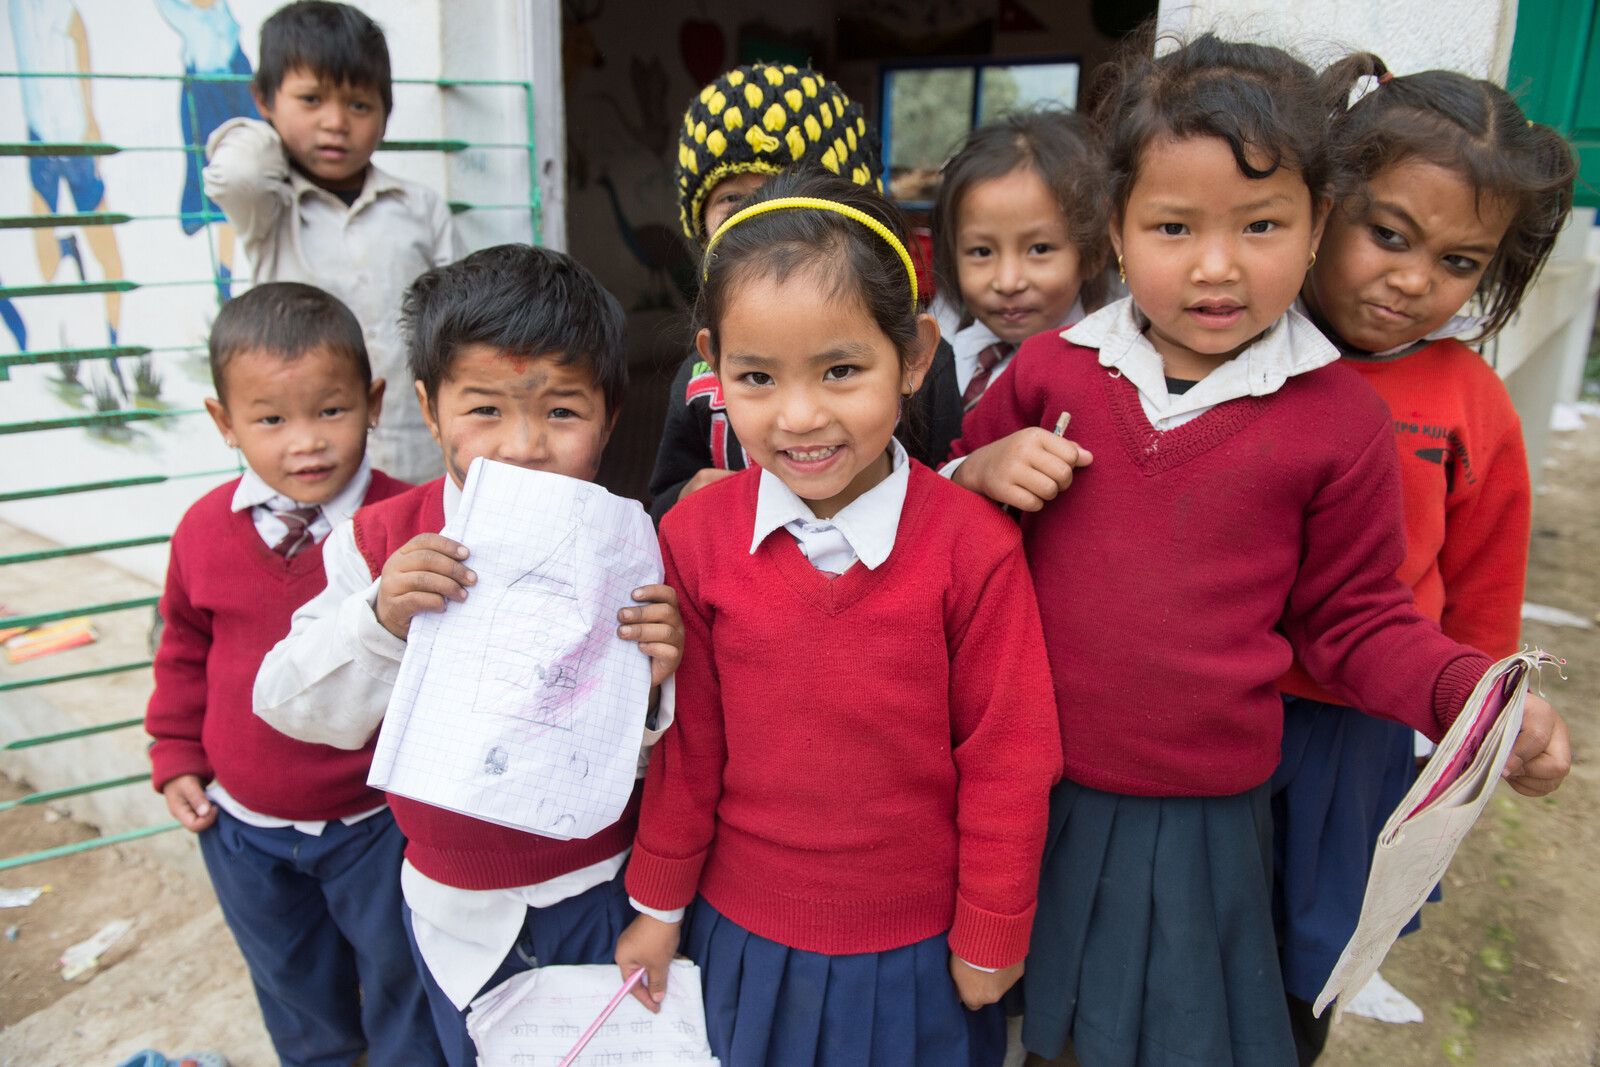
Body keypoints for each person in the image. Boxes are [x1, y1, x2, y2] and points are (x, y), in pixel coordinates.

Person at [948, 34, 1572, 1067]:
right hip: (1028, 782)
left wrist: (1466, 687)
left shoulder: (1335, 422)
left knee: (1169, 1032)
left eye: (1263, 224)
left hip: (1198, 815)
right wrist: (976, 474)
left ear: (1317, 223)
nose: (1216, 264)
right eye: (1172, 225)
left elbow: (1355, 617)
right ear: (1113, 226)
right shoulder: (1050, 371)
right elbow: (944, 543)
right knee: (1028, 1023)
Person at [615, 172, 1063, 1067]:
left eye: (842, 369)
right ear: (713, 367)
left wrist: (991, 926)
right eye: (757, 376)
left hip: (917, 951)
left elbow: (1009, 752)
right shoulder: (696, 536)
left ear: (915, 355)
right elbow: (688, 747)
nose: (801, 415)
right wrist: (658, 907)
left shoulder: (971, 547)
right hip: (745, 932)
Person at [253, 245, 685, 1067]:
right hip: (449, 904)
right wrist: (379, 617)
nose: (523, 444)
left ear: (612, 414)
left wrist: (657, 681)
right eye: (484, 409)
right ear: (428, 406)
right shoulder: (381, 544)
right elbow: (288, 700)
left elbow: (659, 757)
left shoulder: (632, 550)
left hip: (599, 892)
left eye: (562, 411)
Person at [1271, 57, 1578, 1064]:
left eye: (1458, 262)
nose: (1412, 279)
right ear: (1323, 202)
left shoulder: (1468, 402)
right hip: (1208, 717)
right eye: (1388, 234)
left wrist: (1489, 723)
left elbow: (1482, 601)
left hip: (1351, 741)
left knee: (1303, 963)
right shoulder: (1240, 354)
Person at [143, 282, 437, 1067]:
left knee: (403, 974)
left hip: (378, 823)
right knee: (293, 984)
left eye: (330, 410)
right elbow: (181, 648)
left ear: (374, 403)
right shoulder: (204, 532)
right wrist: (175, 753)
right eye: (271, 419)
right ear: (224, 423)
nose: (305, 442)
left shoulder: (412, 526)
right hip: (244, 828)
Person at [203, 0, 459, 484]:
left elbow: (456, 324)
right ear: (264, 99)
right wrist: (270, 132)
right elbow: (238, 172)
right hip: (309, 452)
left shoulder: (419, 207)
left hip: (411, 442)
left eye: (359, 104)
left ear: (386, 111)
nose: (336, 123)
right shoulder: (268, 206)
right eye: (311, 100)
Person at [646, 62, 897, 523]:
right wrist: (684, 497)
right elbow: (662, 497)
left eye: (841, 371)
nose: (760, 215)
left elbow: (940, 482)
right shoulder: (702, 377)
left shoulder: (897, 350)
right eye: (732, 199)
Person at [921, 107, 1113, 467]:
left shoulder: (1109, 380)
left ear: (1091, 253)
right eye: (981, 251)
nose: (1008, 281)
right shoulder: (937, 362)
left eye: (1039, 249)